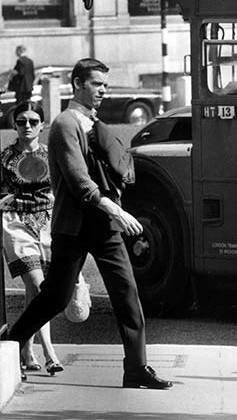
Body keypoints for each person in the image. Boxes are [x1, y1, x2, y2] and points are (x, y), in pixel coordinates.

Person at [2, 58, 172, 389]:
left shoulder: (94, 122)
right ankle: (11, 340)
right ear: (79, 84)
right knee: (56, 296)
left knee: (127, 294)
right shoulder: (66, 124)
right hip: (75, 226)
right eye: (97, 84)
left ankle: (136, 367)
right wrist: (118, 212)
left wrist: (115, 206)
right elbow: (79, 181)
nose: (103, 91)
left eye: (105, 85)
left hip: (104, 225)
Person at [1, 102, 62, 377]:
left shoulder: (52, 155)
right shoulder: (4, 158)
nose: (27, 126)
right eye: (22, 121)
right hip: (15, 223)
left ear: (43, 124)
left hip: (48, 224)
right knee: (39, 287)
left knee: (36, 293)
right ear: (14, 125)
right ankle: (50, 353)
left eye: (33, 121)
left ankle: (23, 348)